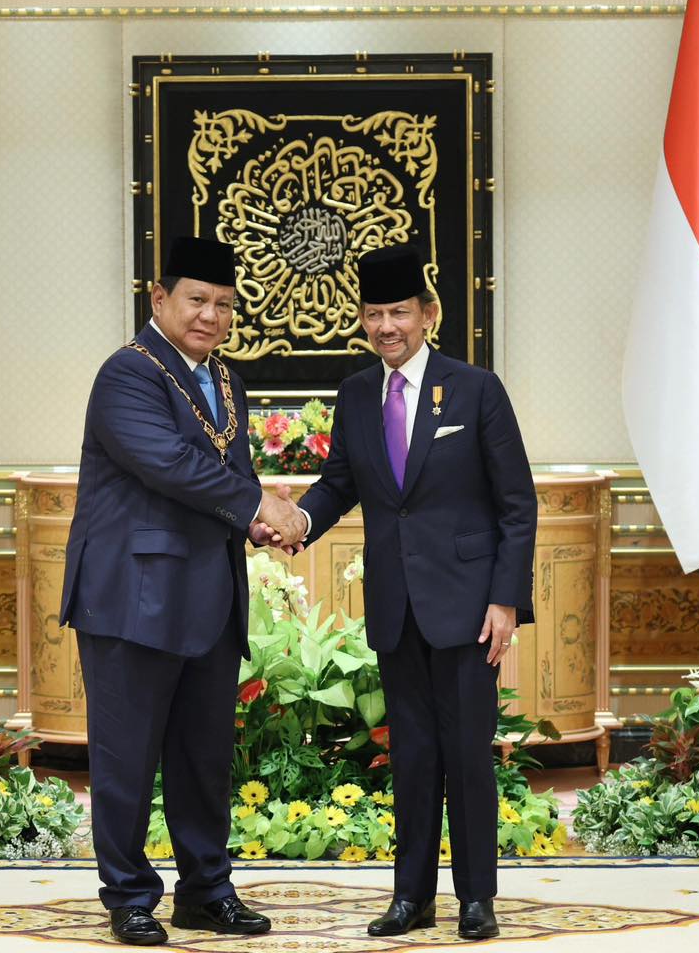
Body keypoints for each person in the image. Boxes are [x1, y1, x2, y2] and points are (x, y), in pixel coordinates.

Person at [59, 235, 306, 946]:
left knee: (203, 757)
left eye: (224, 305)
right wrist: (262, 507)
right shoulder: (127, 375)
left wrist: (259, 524)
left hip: (208, 593)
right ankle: (130, 897)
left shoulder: (226, 379)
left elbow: (220, 483)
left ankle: (206, 891)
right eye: (197, 300)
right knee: (127, 756)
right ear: (158, 298)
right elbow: (171, 466)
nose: (211, 316)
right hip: (133, 595)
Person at [293, 244, 536, 940]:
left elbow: (516, 504)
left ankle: (477, 900)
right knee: (413, 758)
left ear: (428, 314)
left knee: (467, 755)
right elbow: (340, 484)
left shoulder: (475, 390)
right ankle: (411, 898)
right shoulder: (353, 395)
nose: (386, 326)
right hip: (397, 609)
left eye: (399, 311)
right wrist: (296, 521)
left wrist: (505, 600)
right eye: (374, 314)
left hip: (467, 608)